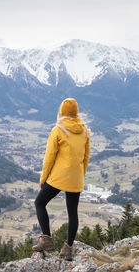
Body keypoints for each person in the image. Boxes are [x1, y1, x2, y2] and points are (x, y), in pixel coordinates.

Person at [33, 98, 90, 261]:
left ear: (62, 111)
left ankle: (47, 240)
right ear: (76, 112)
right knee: (73, 213)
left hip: (59, 176)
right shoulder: (85, 130)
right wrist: (80, 176)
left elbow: (49, 158)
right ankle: (68, 249)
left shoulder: (58, 130)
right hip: (76, 177)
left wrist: (43, 178)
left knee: (39, 203)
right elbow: (86, 158)